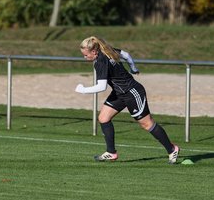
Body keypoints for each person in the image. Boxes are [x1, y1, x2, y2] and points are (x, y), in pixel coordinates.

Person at [75, 36, 180, 164]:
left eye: (86, 55)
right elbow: (126, 55)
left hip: (132, 92)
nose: (85, 58)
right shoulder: (107, 50)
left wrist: (83, 90)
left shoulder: (100, 61)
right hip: (119, 93)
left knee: (147, 124)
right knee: (103, 118)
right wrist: (133, 68)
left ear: (94, 52)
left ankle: (172, 149)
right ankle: (111, 152)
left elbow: (101, 87)